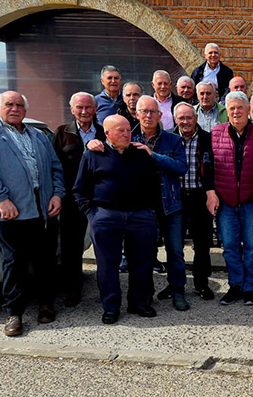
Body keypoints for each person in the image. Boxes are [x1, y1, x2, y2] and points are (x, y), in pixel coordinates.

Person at [0, 91, 65, 336]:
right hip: (9, 211)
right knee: (15, 263)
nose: (14, 108)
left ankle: (46, 304)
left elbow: (56, 168)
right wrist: (1, 199)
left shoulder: (37, 135)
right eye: (9, 104)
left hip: (43, 210)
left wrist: (57, 194)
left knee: (45, 260)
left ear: (25, 109)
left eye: (19, 105)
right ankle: (14, 313)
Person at [73, 115, 160, 324]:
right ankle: (111, 307)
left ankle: (139, 302)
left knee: (141, 262)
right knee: (107, 264)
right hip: (105, 216)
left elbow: (154, 186)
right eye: (120, 131)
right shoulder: (93, 155)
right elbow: (80, 189)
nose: (126, 134)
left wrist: (151, 212)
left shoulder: (141, 154)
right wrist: (91, 214)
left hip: (140, 216)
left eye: (128, 129)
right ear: (108, 134)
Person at [129, 96, 190, 311]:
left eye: (152, 111)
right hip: (142, 208)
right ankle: (145, 295)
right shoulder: (128, 136)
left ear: (160, 115)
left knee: (175, 252)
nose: (148, 115)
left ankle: (178, 292)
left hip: (171, 205)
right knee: (144, 254)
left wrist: (153, 155)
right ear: (136, 114)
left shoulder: (173, 140)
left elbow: (181, 167)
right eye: (143, 111)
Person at [213, 91, 253, 306]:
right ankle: (235, 284)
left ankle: (250, 287)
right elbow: (209, 166)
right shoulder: (216, 133)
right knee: (230, 246)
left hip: (251, 200)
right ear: (227, 111)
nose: (236, 112)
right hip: (226, 201)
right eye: (232, 108)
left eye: (240, 108)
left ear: (248, 110)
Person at [52, 92, 106, 307]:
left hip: (99, 199)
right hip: (71, 199)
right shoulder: (61, 133)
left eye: (88, 108)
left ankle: (106, 289)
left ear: (95, 109)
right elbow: (54, 166)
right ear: (72, 109)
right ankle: (72, 288)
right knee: (70, 246)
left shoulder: (104, 132)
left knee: (103, 244)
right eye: (79, 108)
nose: (84, 112)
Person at [172, 102, 216, 300]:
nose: (185, 121)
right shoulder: (169, 138)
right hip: (176, 198)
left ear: (196, 118)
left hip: (200, 197)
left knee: (202, 244)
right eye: (181, 118)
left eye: (189, 117)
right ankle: (175, 285)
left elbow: (213, 168)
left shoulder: (208, 138)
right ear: (175, 120)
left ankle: (201, 284)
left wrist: (211, 192)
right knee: (175, 244)